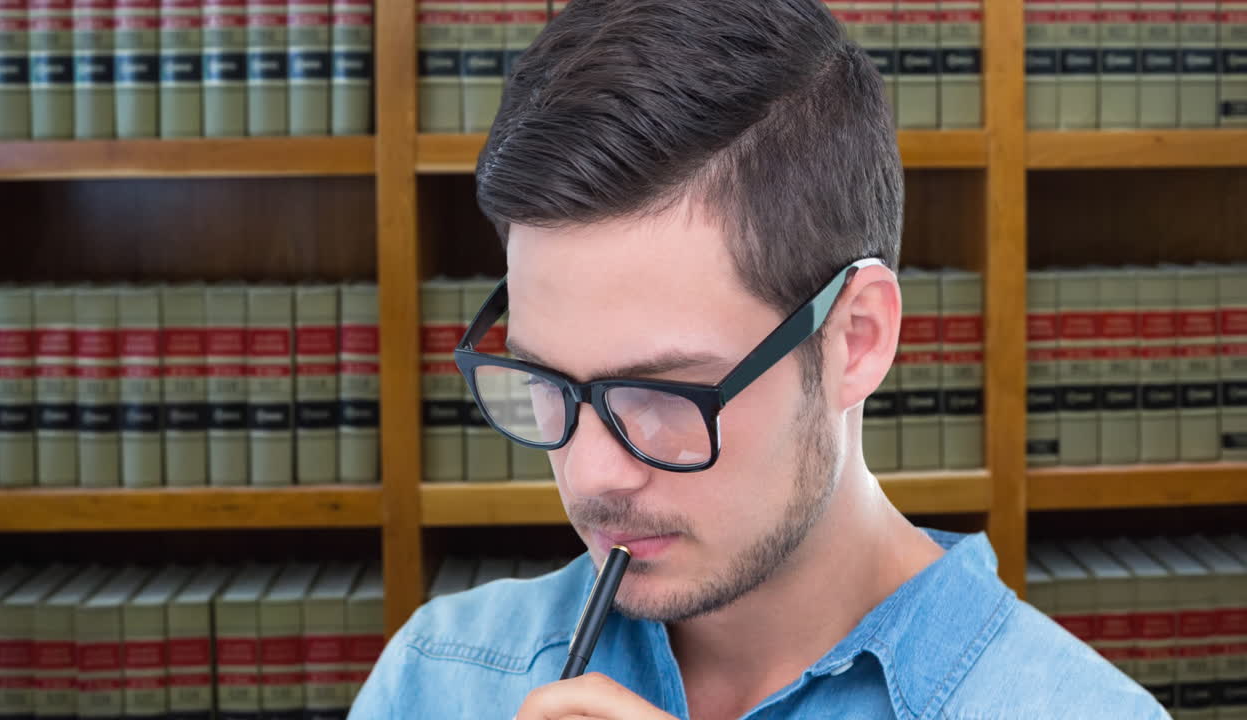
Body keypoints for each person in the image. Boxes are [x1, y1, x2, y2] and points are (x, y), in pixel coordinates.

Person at [348, 1, 1170, 718]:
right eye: (546, 382)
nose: (593, 476)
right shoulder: (434, 678)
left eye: (665, 391)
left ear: (857, 340)